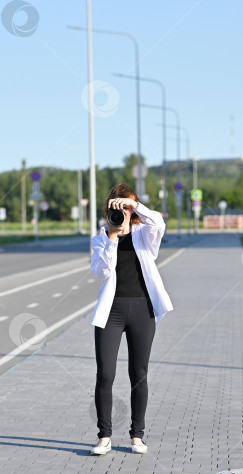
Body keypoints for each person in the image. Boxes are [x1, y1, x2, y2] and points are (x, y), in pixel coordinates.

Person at [89, 183, 174, 455]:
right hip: (111, 312)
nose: (122, 211)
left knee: (138, 374)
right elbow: (102, 272)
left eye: (126, 206)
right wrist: (112, 237)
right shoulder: (100, 237)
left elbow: (158, 222)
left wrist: (134, 205)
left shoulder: (144, 233)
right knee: (106, 374)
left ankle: (137, 436)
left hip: (142, 310)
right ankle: (104, 437)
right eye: (117, 206)